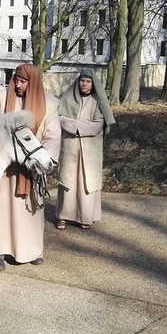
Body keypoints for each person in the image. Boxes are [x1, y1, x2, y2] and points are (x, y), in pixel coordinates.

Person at [0, 64, 61, 270]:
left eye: (23, 81)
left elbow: (53, 136)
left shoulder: (49, 104)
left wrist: (42, 161)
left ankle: (31, 251)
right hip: (6, 167)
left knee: (29, 211)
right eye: (16, 80)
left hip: (31, 170)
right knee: (2, 209)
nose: (19, 85)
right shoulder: (4, 97)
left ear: (33, 83)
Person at [55, 69, 116, 231]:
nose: (84, 84)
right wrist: (79, 125)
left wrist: (75, 125)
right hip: (70, 147)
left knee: (86, 181)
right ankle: (63, 216)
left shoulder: (98, 101)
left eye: (88, 81)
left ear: (93, 83)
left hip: (90, 149)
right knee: (68, 181)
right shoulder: (69, 98)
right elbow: (61, 118)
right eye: (82, 80)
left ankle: (85, 216)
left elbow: (98, 124)